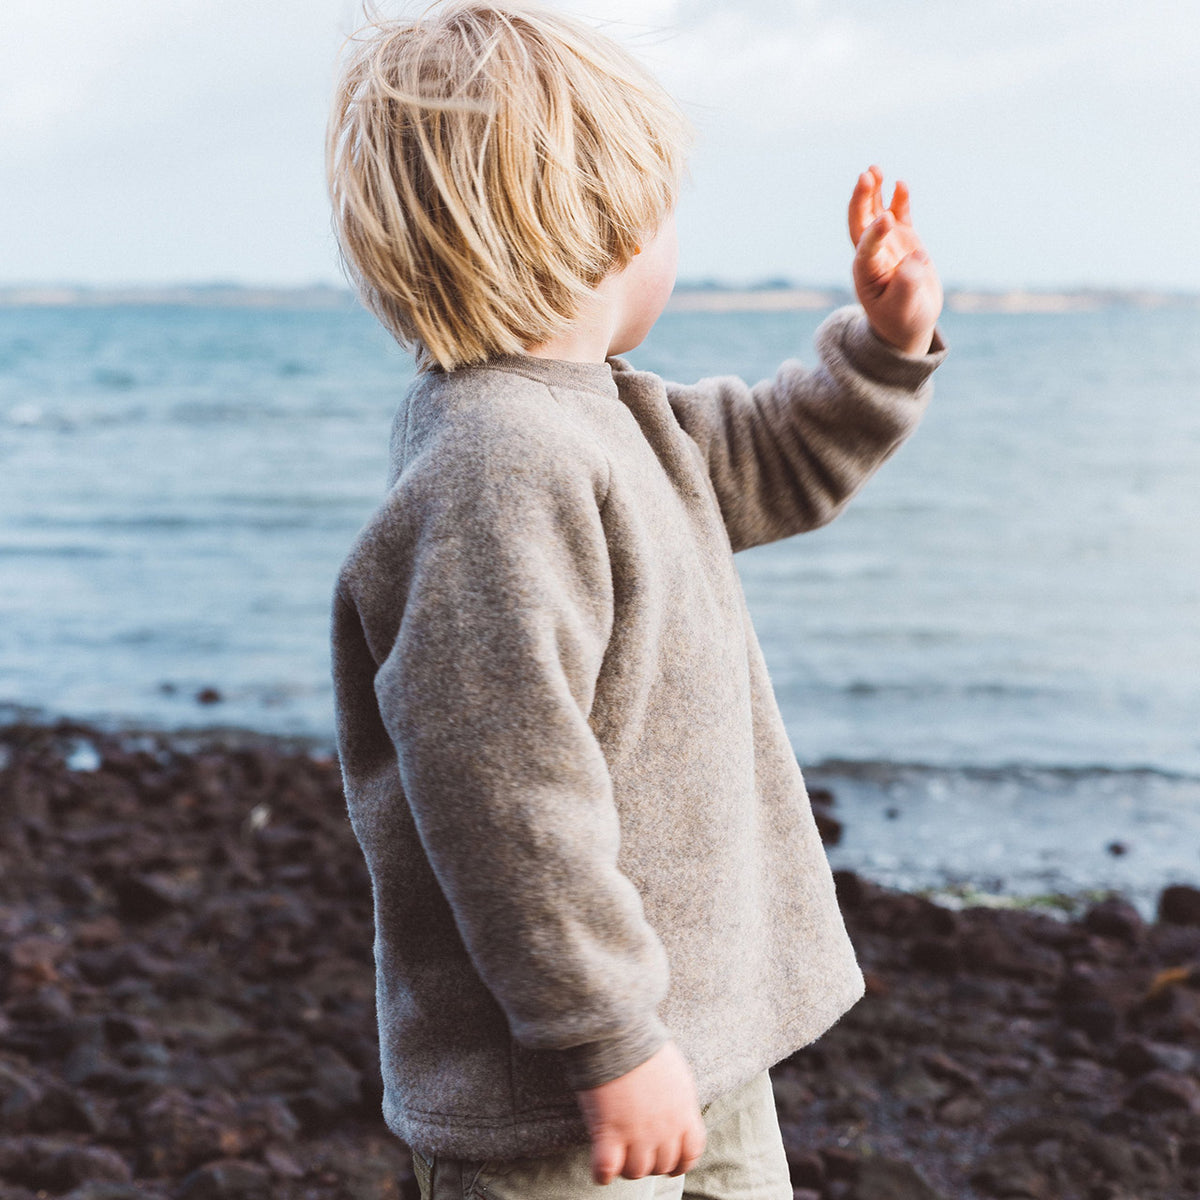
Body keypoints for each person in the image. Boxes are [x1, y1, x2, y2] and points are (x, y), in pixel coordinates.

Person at [325, 3, 947, 1197]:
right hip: (572, 1086)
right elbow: (506, 802)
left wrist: (879, 347)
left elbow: (771, 456)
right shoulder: (497, 468)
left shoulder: (607, 418)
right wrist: (608, 1039)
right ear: (594, 228)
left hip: (696, 1037)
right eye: (662, 209)